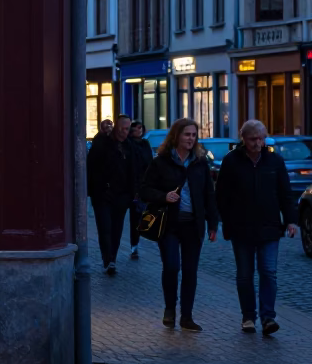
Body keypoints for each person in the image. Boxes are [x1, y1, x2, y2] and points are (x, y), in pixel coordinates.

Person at [215, 120, 298, 336]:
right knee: (245, 274)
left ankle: (268, 317)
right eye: (253, 139)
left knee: (269, 272)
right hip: (241, 227)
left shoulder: (274, 162)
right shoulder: (232, 161)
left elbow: (285, 193)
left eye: (261, 139)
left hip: (269, 227)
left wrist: (290, 220)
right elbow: (222, 195)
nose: (258, 143)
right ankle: (248, 316)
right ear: (244, 138)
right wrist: (224, 222)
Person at [140, 118, 219, 331]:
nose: (191, 139)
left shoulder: (200, 163)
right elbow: (144, 190)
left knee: (190, 271)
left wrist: (213, 224)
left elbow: (209, 194)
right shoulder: (161, 162)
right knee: (172, 266)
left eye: (194, 135)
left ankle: (187, 316)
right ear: (176, 136)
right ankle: (170, 309)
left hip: (193, 225)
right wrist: (164, 196)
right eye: (187, 135)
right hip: (169, 224)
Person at [87, 114, 135, 276]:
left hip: (122, 195)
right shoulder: (104, 142)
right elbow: (93, 158)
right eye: (121, 128)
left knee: (117, 228)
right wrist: (102, 133)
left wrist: (133, 193)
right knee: (105, 227)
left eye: (127, 128)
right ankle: (107, 259)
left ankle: (112, 257)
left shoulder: (129, 146)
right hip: (102, 194)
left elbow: (135, 170)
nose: (124, 132)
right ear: (116, 128)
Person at [127, 120, 154, 260]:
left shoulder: (145, 144)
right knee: (133, 218)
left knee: (138, 217)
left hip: (143, 185)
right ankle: (133, 246)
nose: (139, 130)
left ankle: (135, 246)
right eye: (136, 128)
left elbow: (150, 163)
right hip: (130, 186)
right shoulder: (129, 144)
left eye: (141, 128)